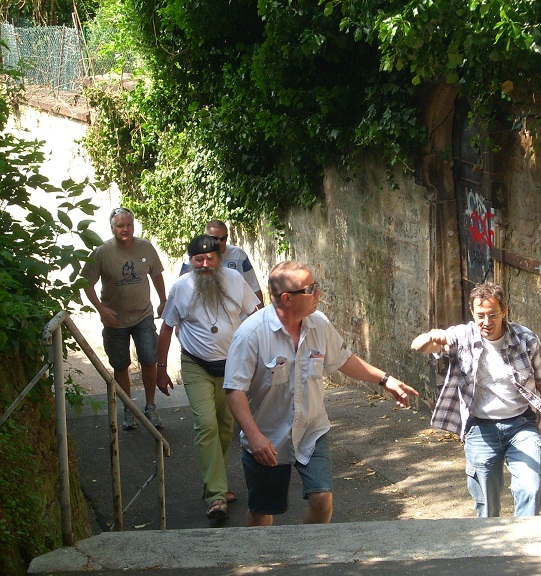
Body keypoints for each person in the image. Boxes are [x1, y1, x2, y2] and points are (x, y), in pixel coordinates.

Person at [223, 260, 419, 526]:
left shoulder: (319, 324)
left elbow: (344, 360)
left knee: (322, 497)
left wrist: (386, 380)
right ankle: (263, 553)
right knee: (262, 511)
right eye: (310, 289)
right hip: (268, 438)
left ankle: (309, 549)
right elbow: (234, 390)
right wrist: (254, 437)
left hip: (311, 430)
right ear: (287, 299)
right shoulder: (251, 335)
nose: (318, 293)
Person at [411, 283, 541, 517]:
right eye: (480, 315)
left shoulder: (525, 339)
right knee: (487, 505)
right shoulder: (462, 336)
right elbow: (418, 346)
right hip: (481, 428)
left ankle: (525, 538)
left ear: (504, 311)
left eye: (493, 315)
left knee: (530, 489)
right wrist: (432, 335)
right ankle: (494, 541)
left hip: (522, 425)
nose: (486, 322)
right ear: (472, 313)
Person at [156, 235, 259, 520]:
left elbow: (255, 315)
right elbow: (166, 328)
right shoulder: (181, 287)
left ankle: (217, 481)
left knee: (225, 427)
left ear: (218, 258)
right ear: (191, 261)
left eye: (210, 258)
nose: (204, 264)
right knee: (206, 424)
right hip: (196, 364)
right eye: (198, 260)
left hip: (231, 366)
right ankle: (216, 495)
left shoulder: (235, 280)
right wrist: (161, 369)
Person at [82, 207, 167, 431]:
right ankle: (129, 409)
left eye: (129, 225)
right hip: (115, 320)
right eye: (120, 226)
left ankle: (150, 407)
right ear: (112, 228)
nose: (125, 229)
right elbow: (87, 284)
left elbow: (156, 275)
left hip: (143, 315)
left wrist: (163, 300)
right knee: (120, 365)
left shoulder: (145, 247)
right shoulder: (101, 252)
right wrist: (101, 309)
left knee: (148, 359)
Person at [179, 219, 264, 308]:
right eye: (214, 238)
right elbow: (182, 286)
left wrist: (262, 312)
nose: (219, 242)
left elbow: (253, 286)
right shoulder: (192, 257)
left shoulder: (239, 255)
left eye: (222, 238)